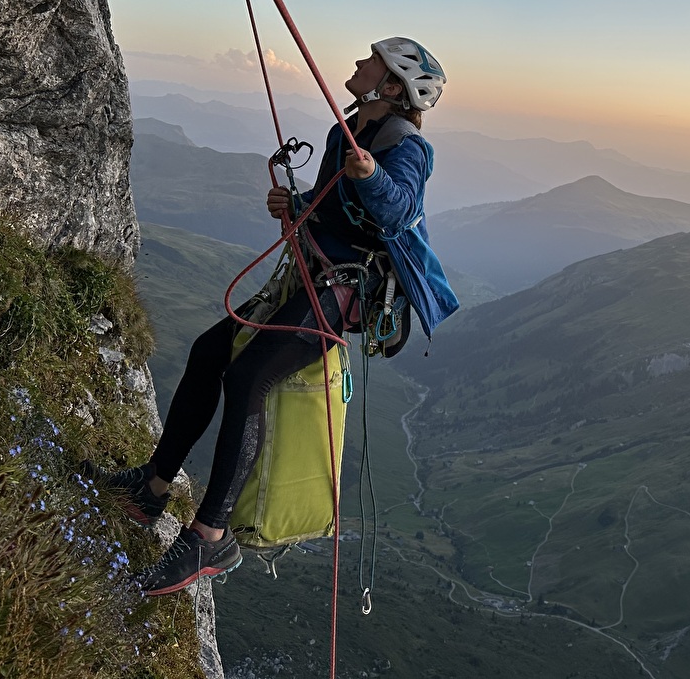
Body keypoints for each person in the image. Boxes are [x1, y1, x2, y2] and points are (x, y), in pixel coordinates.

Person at [88, 37, 458, 596]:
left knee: (246, 376)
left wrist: (368, 175)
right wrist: (298, 205)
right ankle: (152, 488)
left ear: (391, 85)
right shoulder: (345, 132)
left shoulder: (406, 146)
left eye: (371, 61)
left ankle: (210, 537)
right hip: (315, 275)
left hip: (342, 291)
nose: (358, 64)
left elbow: (401, 210)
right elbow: (337, 211)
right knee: (211, 351)